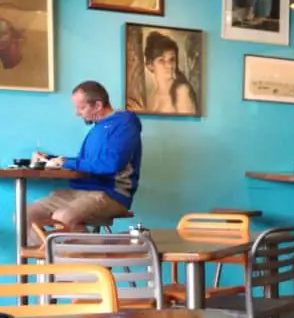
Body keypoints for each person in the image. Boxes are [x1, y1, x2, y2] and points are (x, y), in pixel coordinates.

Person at [24, 81, 143, 245]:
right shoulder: (97, 128)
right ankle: (53, 258)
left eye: (81, 108)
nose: (77, 113)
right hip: (80, 191)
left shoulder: (124, 123)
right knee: (25, 215)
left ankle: (89, 259)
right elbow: (84, 162)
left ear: (98, 105)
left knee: (63, 217)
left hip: (111, 193)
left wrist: (65, 163)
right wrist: (50, 159)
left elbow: (111, 165)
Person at [142, 30, 197, 115]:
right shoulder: (151, 97)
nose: (169, 65)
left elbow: (189, 122)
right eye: (161, 60)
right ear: (150, 65)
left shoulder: (181, 92)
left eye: (172, 60)